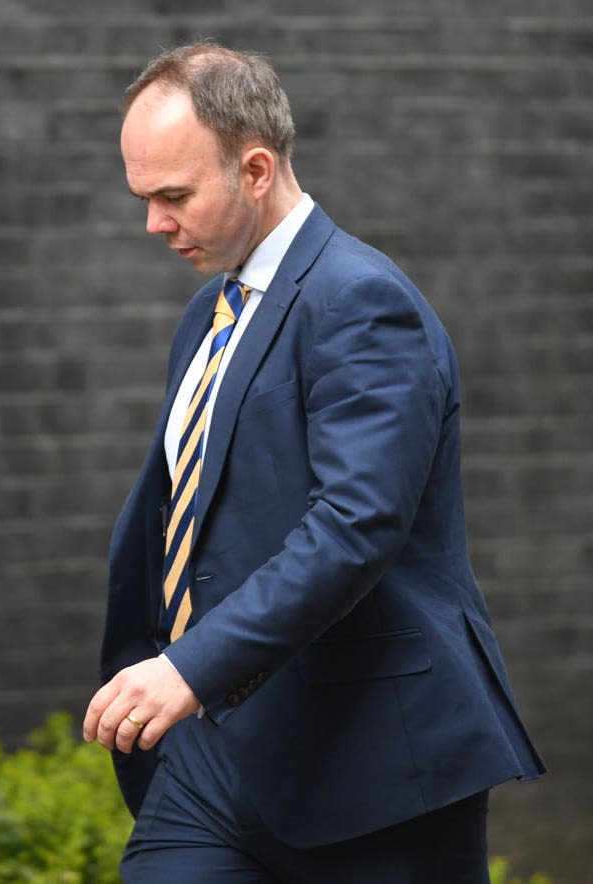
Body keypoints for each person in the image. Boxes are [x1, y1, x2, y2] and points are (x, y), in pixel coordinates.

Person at [83, 42, 545, 883]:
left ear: (255, 168)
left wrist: (188, 667)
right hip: (215, 762)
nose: (154, 223)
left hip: (376, 765)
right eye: (144, 197)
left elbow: (354, 524)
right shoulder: (207, 316)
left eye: (173, 196)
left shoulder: (362, 302)